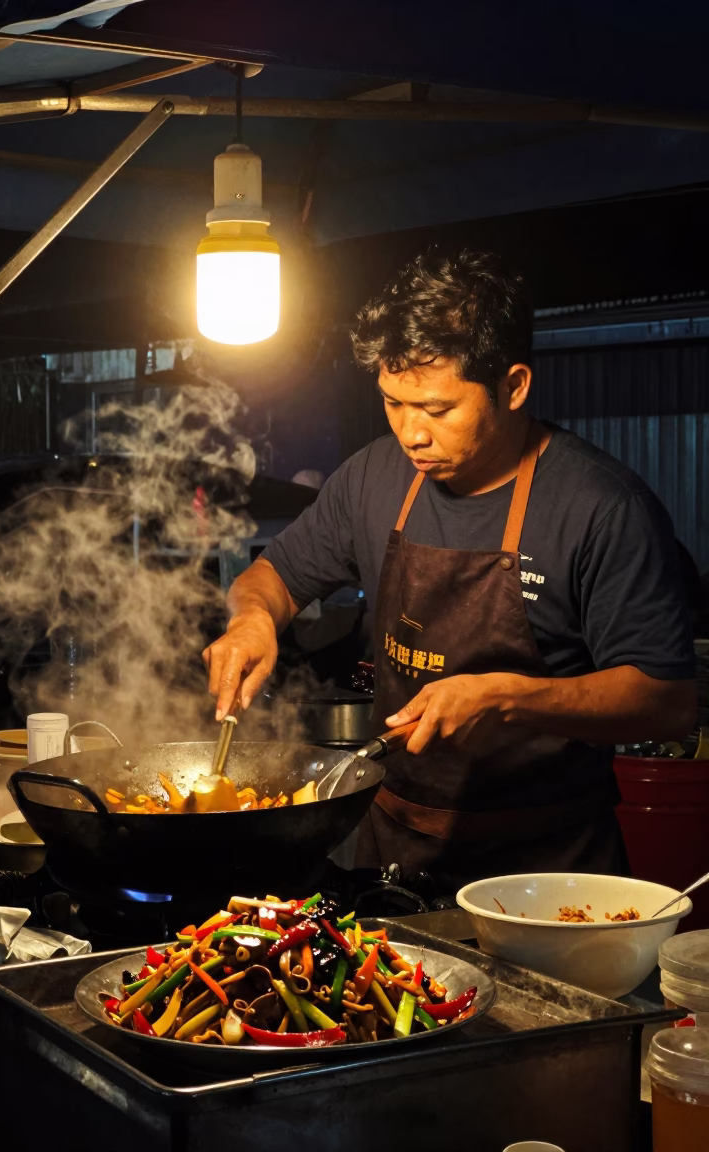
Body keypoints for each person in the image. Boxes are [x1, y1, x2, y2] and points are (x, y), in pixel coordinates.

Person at [203, 250, 697, 892]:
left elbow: (666, 701)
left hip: (549, 873)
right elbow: (274, 577)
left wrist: (510, 698)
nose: (411, 434)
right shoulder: (372, 477)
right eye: (392, 403)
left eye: (437, 410)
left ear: (514, 386)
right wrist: (251, 621)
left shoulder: (601, 506)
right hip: (395, 855)